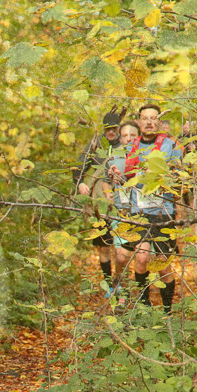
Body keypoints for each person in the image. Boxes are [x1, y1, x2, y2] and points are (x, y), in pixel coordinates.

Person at [111, 104, 183, 314]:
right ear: (139, 122)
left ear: (159, 122)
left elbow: (178, 174)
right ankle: (144, 306)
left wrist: (161, 170)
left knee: (163, 264)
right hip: (139, 212)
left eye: (154, 118)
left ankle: (168, 311)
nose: (150, 122)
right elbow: (129, 179)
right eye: (145, 118)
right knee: (141, 258)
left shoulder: (169, 145)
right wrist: (118, 175)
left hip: (163, 212)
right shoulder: (132, 147)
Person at [72, 107, 125, 292]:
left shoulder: (127, 145)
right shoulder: (95, 145)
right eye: (107, 128)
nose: (111, 132)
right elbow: (78, 167)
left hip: (122, 206)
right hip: (99, 207)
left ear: (120, 128)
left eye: (114, 128)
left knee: (122, 250)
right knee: (104, 248)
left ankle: (120, 283)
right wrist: (80, 184)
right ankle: (109, 285)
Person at [105, 120, 141, 295]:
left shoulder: (147, 155)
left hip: (143, 214)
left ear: (138, 136)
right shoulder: (114, 156)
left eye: (132, 135)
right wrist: (108, 194)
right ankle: (120, 290)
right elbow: (105, 181)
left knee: (142, 258)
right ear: (120, 138)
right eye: (125, 135)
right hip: (120, 213)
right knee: (121, 257)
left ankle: (142, 297)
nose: (128, 139)